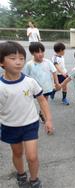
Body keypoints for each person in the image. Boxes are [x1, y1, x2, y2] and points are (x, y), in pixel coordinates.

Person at [0, 41, 54, 188]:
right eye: (12, 58)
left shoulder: (30, 82)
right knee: (17, 153)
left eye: (21, 58)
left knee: (32, 156)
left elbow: (42, 100)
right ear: (1, 62)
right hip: (10, 126)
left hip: (30, 124)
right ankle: (21, 174)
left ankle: (34, 179)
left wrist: (48, 120)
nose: (18, 62)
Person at [24, 42, 60, 124]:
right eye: (37, 52)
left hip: (47, 87)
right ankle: (45, 117)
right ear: (32, 53)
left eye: (42, 52)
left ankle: (41, 113)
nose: (41, 54)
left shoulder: (47, 62)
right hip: (36, 89)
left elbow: (54, 72)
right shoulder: (29, 64)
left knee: (45, 101)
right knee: (42, 102)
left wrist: (56, 83)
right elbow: (25, 77)